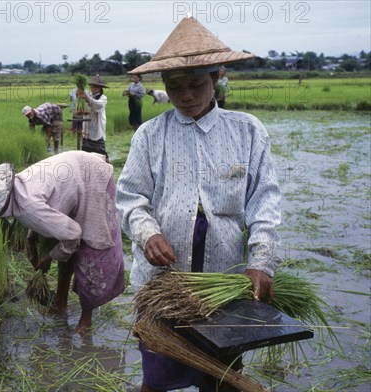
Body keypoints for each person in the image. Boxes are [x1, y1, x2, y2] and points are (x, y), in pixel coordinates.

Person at [115, 16, 282, 392]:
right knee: (157, 376)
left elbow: (264, 202)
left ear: (217, 78)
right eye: (175, 87)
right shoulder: (150, 135)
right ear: (164, 86)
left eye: (196, 85)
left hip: (226, 282)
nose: (186, 96)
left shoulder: (247, 131)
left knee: (222, 377)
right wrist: (147, 233)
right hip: (164, 285)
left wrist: (261, 263)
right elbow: (129, 197)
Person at [0, 151, 125, 335]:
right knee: (62, 246)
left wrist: (48, 258)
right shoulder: (18, 185)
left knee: (89, 251)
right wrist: (31, 239)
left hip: (93, 178)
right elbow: (43, 211)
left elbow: (72, 235)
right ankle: (60, 303)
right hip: (76, 170)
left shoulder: (26, 206)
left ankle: (86, 319)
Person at [76, 75, 108, 158]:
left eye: (94, 87)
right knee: (86, 157)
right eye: (91, 86)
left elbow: (97, 105)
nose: (92, 88)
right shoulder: (88, 95)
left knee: (101, 157)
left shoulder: (103, 98)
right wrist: (79, 94)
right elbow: (80, 101)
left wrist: (86, 98)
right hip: (86, 131)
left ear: (99, 88)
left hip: (97, 130)